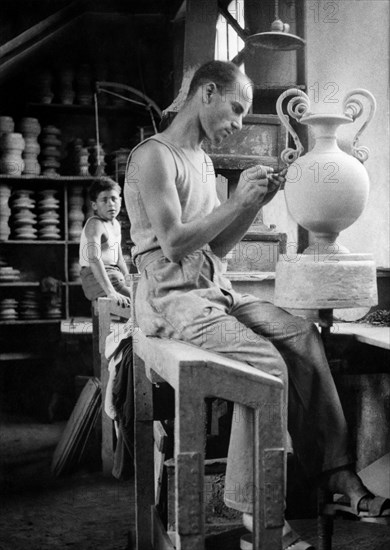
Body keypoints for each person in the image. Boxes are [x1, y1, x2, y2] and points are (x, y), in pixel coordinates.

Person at [124, 61, 389, 549]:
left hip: (213, 290)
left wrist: (250, 204)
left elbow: (215, 250)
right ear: (207, 92)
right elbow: (176, 244)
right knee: (265, 368)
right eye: (237, 108)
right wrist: (235, 199)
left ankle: (337, 475)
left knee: (302, 337)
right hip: (169, 299)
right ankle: (256, 516)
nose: (240, 122)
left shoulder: (203, 161)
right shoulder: (152, 157)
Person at [79, 177, 131, 307]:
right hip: (95, 278)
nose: (111, 204)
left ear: (120, 200)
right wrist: (111, 292)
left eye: (114, 198)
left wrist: (129, 278)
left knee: (144, 291)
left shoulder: (116, 225)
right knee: (144, 301)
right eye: (104, 200)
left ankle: (127, 325)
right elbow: (94, 258)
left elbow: (119, 259)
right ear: (94, 205)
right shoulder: (95, 224)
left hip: (114, 276)